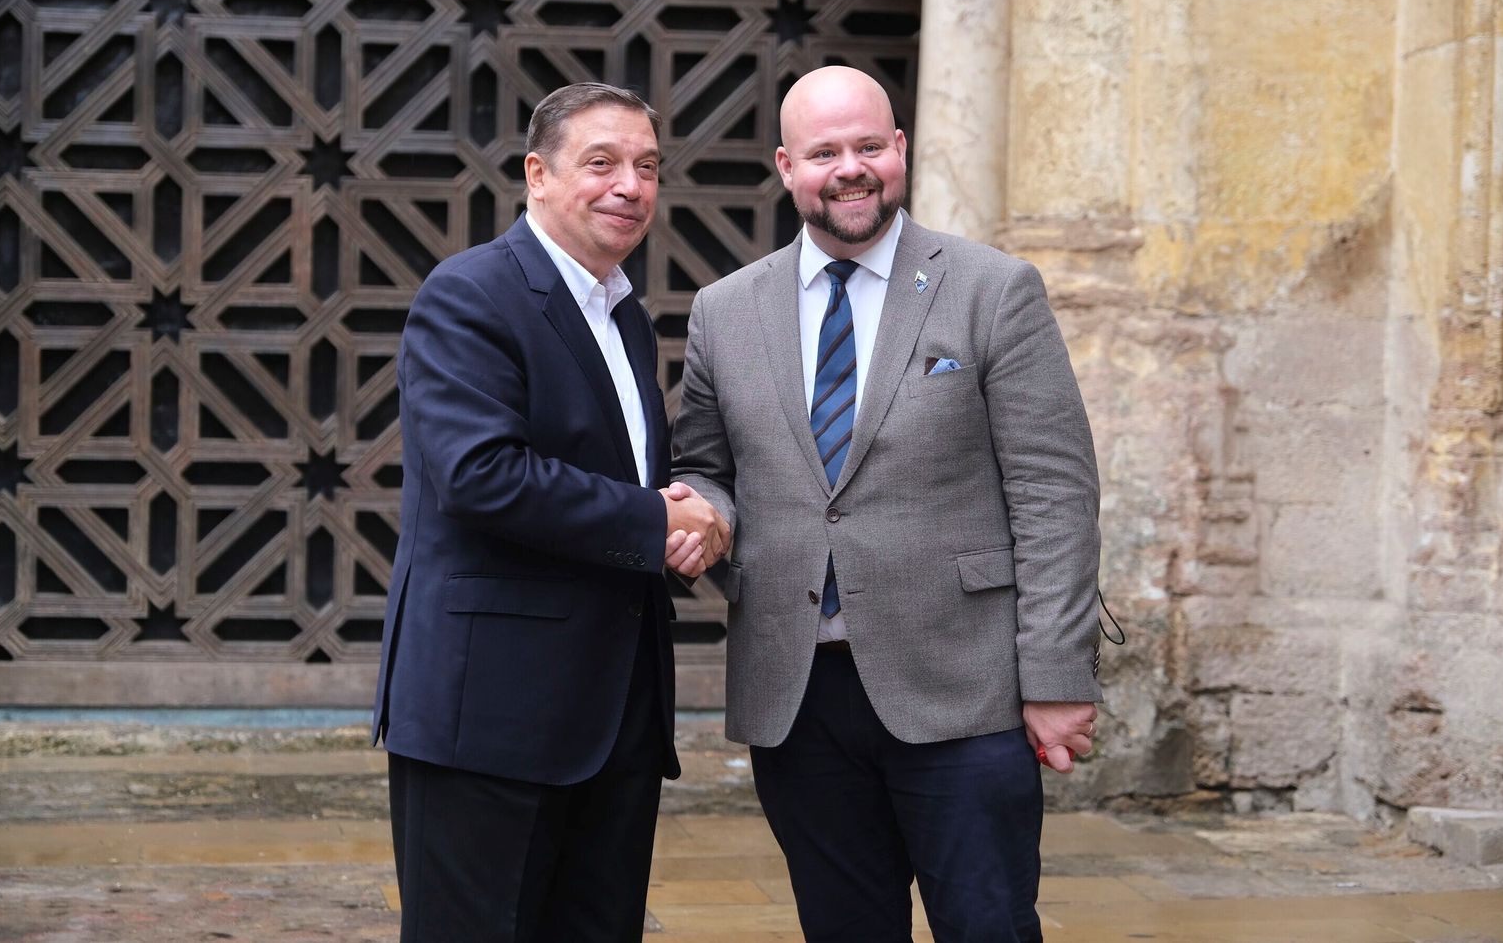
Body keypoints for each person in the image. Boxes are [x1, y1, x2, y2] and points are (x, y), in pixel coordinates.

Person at [670, 65, 1101, 943]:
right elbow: (709, 468)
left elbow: (1055, 493)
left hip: (964, 689)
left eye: (869, 146)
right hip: (798, 695)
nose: (850, 169)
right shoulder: (724, 310)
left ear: (900, 149)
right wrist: (700, 516)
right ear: (787, 167)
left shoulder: (992, 288)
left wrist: (1058, 678)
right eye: (824, 152)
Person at [372, 81, 728, 943]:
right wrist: (655, 523)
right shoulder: (471, 292)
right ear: (538, 174)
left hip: (614, 718)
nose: (630, 186)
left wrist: (689, 521)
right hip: (490, 720)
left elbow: (630, 480)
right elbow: (480, 475)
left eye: (648, 167)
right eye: (601, 163)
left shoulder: (624, 316)